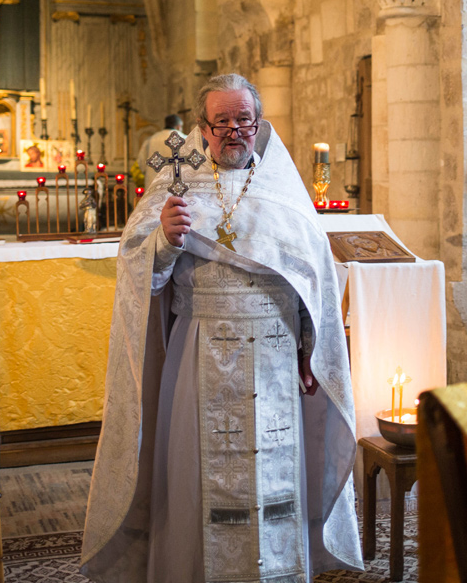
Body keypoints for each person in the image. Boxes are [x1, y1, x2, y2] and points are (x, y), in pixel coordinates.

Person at [81, 74, 362, 583]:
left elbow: (312, 280)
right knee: (200, 477)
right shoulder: (176, 186)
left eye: (244, 120)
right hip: (200, 355)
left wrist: (308, 350)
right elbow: (140, 275)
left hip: (276, 359)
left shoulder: (283, 192)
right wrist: (164, 242)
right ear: (203, 128)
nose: (235, 131)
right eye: (222, 121)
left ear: (259, 124)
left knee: (273, 475)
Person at [136, 114, 185, 188]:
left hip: (154, 185)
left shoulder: (151, 140)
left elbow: (141, 163)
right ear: (179, 126)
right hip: (177, 187)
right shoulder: (185, 139)